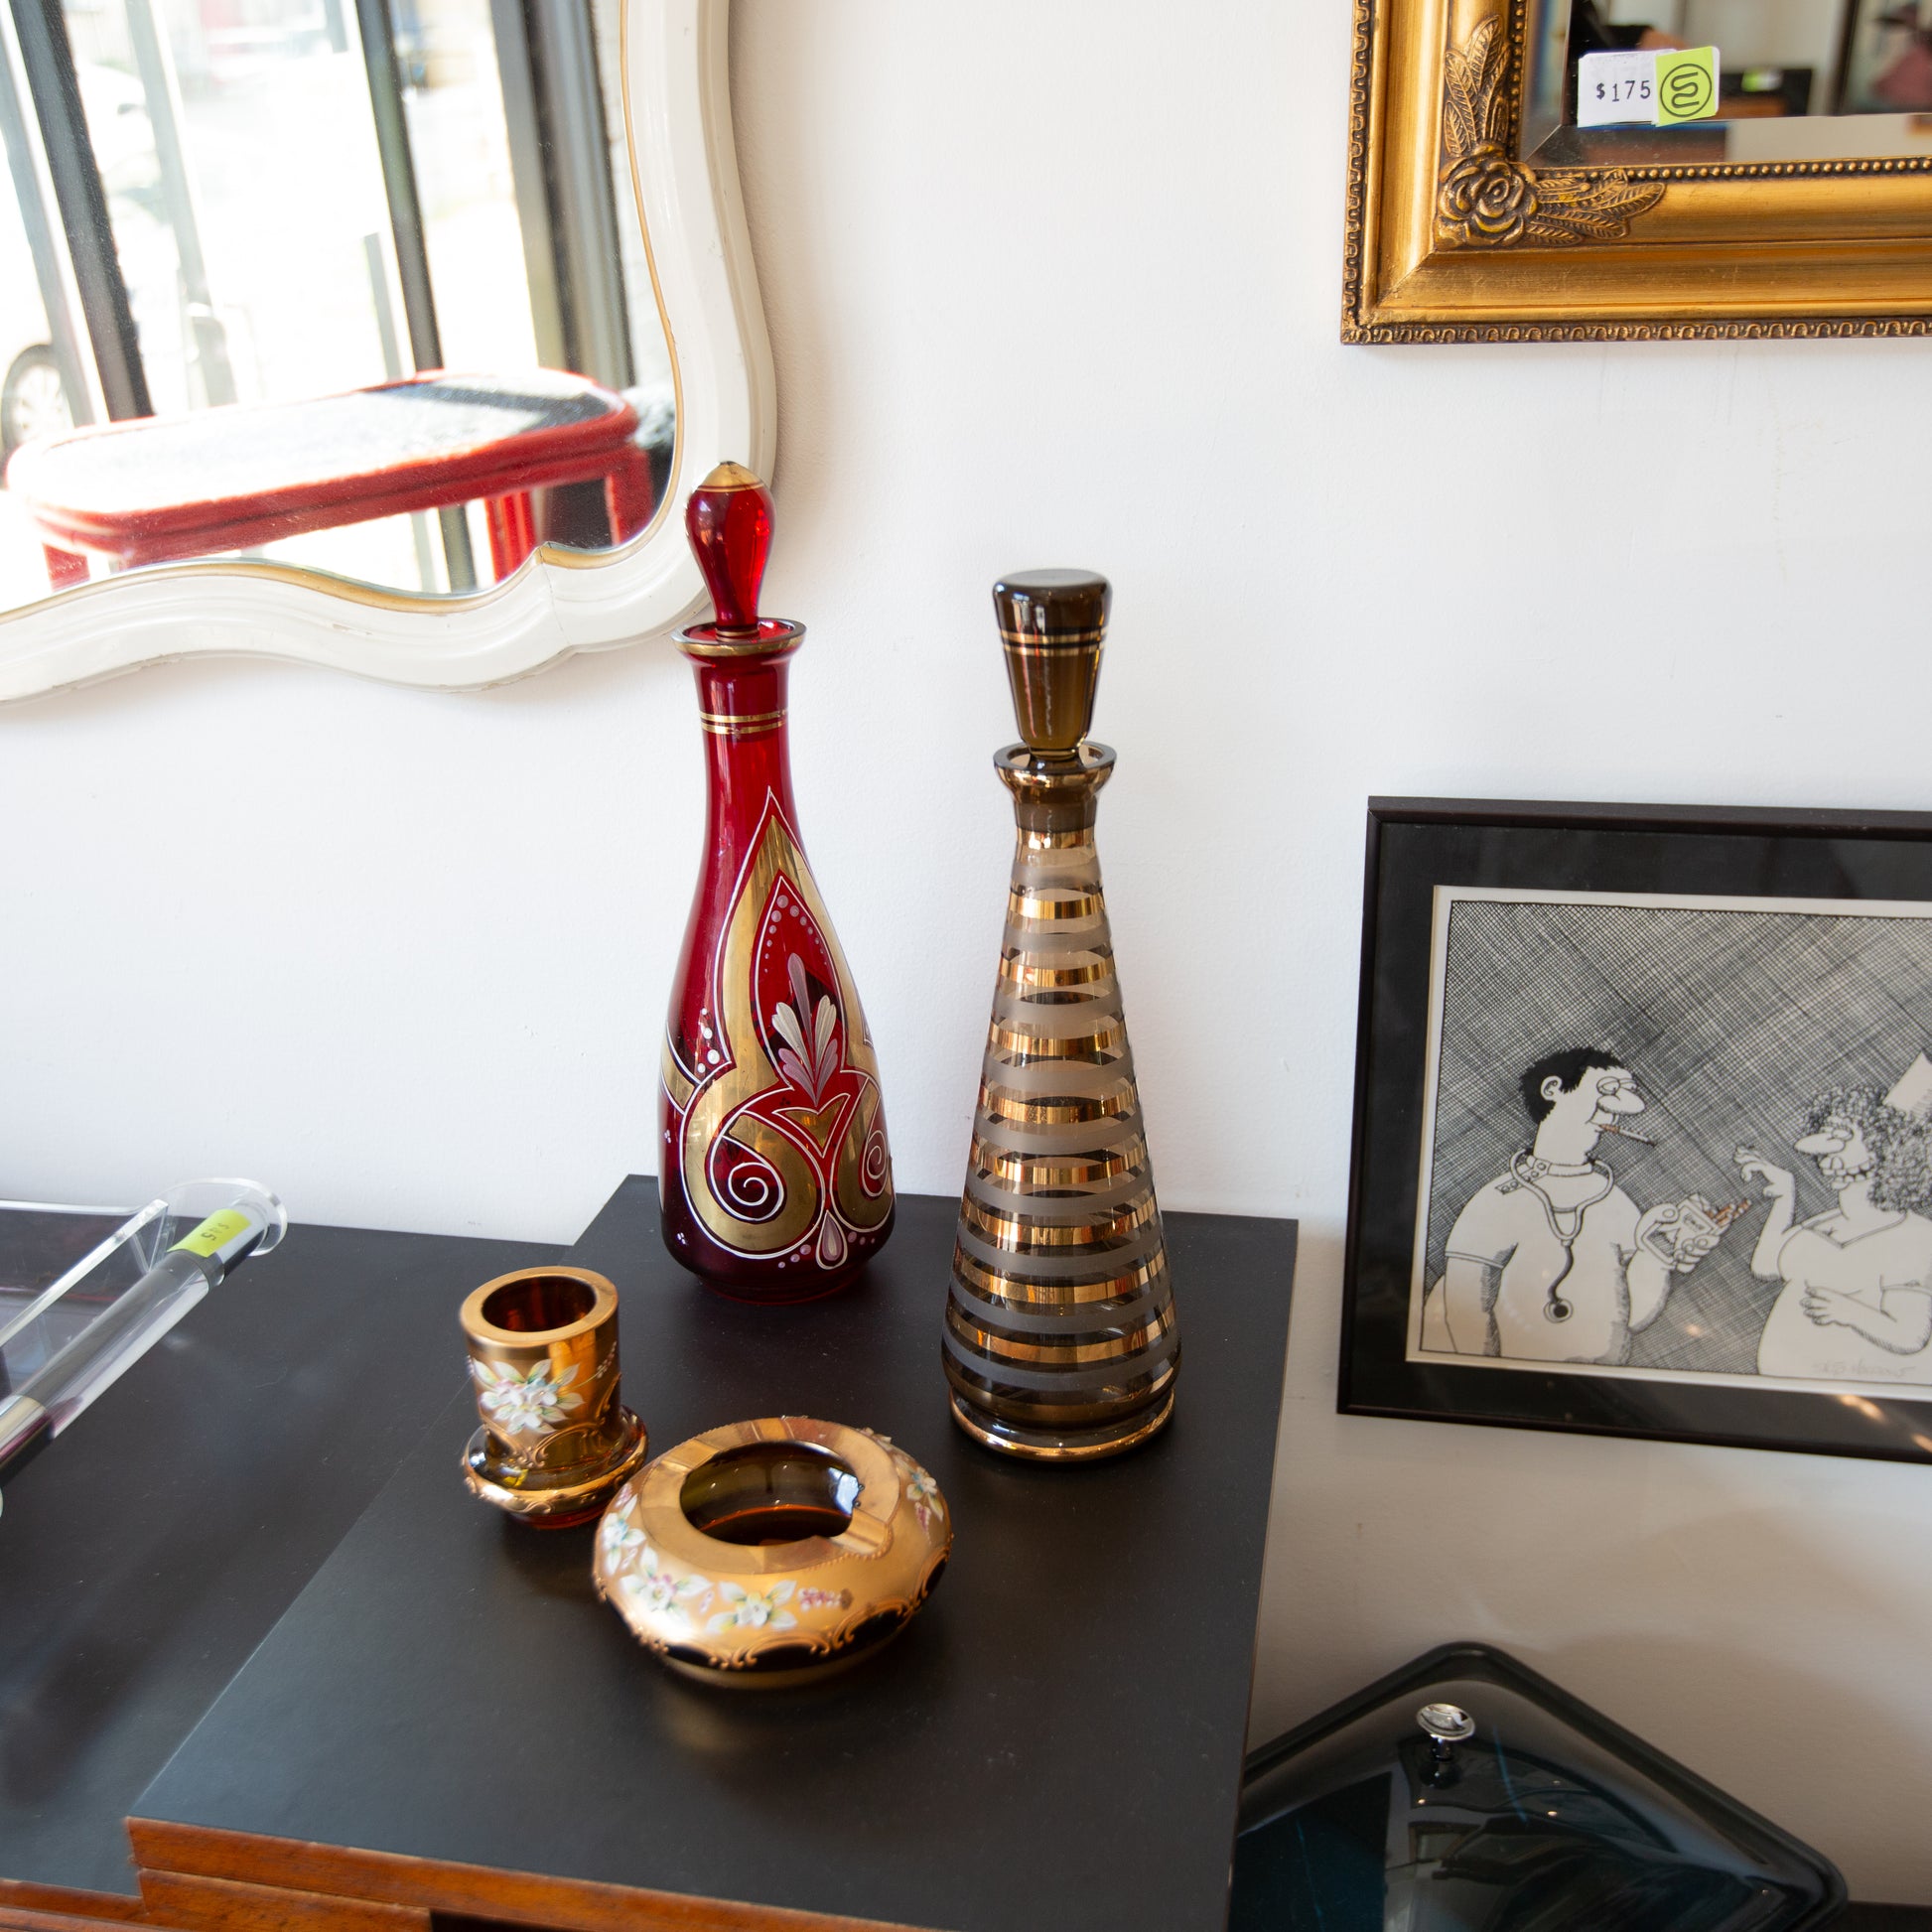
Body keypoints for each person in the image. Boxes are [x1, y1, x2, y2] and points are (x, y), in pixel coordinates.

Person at [1425, 1046, 1720, 1366]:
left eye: (1627, 1091)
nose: (1614, 1110)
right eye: (1607, 1089)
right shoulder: (1499, 1200)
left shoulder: (1615, 1203)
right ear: (1553, 1090)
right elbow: (1465, 1307)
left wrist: (1658, 1256)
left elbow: (1632, 1317)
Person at [1739, 1088, 1932, 1384]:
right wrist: (1785, 1196)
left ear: (1886, 1149)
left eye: (1842, 1133)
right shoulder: (1829, 1220)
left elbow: (1909, 1336)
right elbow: (1765, 1265)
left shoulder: (1916, 1236)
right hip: (1783, 1388)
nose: (1823, 1146)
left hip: (1864, 1390)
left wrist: (1849, 1311)